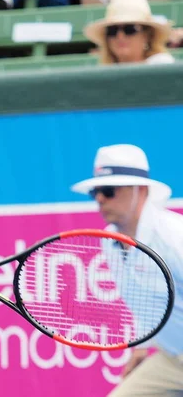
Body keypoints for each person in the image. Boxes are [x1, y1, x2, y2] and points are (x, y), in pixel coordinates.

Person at [70, 144, 183, 396]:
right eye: (95, 192)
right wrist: (142, 347)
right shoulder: (109, 241)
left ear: (139, 191)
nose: (100, 199)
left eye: (109, 191)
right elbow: (145, 305)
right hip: (171, 360)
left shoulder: (175, 236)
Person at [83, 0, 175, 65]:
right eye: (112, 30)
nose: (120, 36)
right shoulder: (103, 75)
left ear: (147, 35)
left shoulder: (162, 65)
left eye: (130, 29)